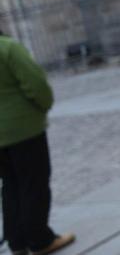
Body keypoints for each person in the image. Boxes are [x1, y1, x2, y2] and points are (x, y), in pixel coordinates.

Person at [0, 30, 75, 255]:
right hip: (23, 128)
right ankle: (40, 239)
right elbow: (36, 84)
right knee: (34, 184)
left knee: (10, 185)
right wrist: (44, 106)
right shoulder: (8, 48)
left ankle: (17, 242)